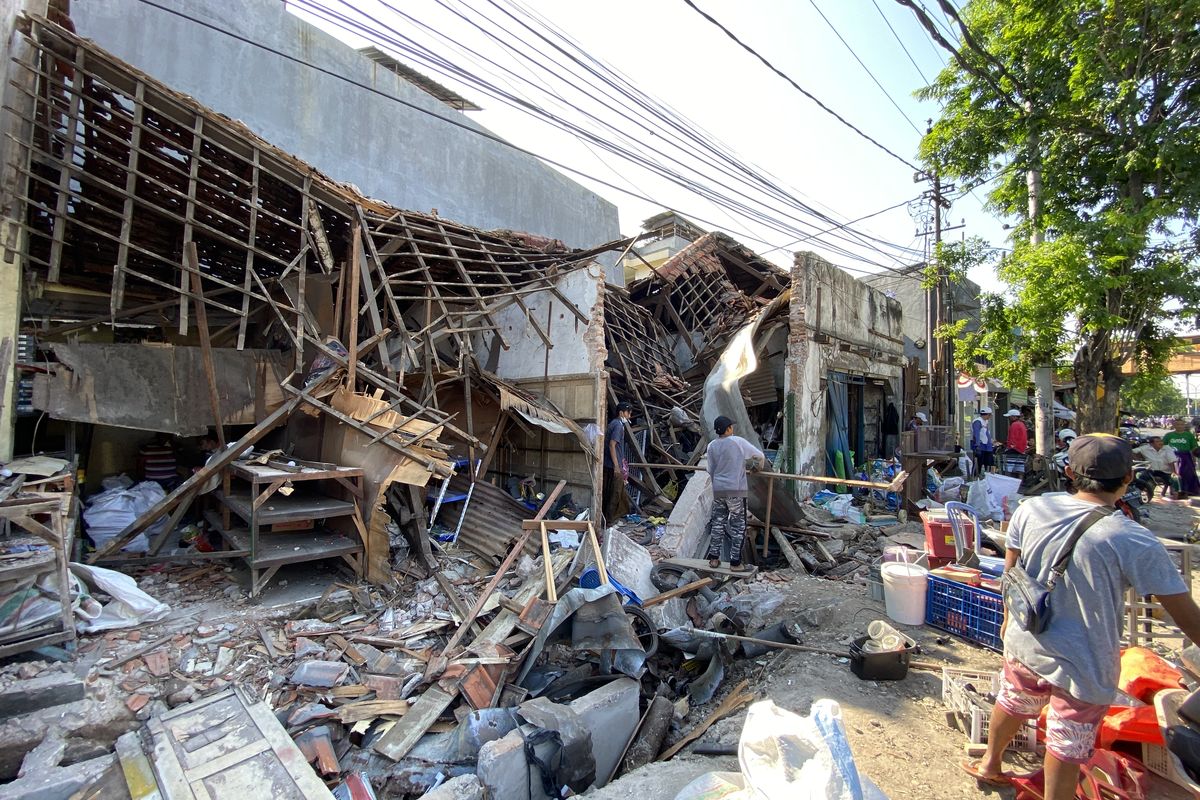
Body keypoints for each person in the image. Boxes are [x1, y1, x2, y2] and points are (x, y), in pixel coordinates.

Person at [965, 434, 1200, 797]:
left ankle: (990, 764)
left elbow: (1011, 571)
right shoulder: (1132, 538)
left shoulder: (1032, 510)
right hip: (1085, 659)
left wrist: (1009, 617)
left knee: (1014, 699)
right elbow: (1184, 615)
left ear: (1069, 472)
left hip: (1028, 636)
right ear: (1127, 479)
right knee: (1068, 740)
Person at [704, 416, 765, 572]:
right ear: (728, 429)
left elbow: (710, 470)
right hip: (735, 490)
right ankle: (735, 562)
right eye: (731, 426)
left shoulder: (711, 446)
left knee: (718, 523)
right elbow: (759, 457)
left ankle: (713, 559)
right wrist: (756, 469)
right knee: (739, 526)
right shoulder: (738, 442)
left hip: (718, 490)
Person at [602, 402, 633, 523]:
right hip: (613, 465)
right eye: (628, 413)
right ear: (621, 413)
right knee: (615, 493)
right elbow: (612, 445)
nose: (629, 416)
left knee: (612, 492)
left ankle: (608, 518)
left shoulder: (614, 424)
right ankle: (609, 520)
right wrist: (616, 466)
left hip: (610, 464)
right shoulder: (618, 425)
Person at [1163, 418, 1200, 499]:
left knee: (1187, 474)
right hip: (1172, 457)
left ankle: (1187, 491)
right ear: (1174, 425)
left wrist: (1194, 458)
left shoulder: (1189, 435)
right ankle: (1176, 491)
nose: (1180, 426)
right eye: (1177, 424)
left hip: (1186, 457)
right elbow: (1162, 447)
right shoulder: (1168, 436)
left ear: (1184, 425)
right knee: (1176, 474)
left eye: (1182, 424)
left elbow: (1193, 448)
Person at [1002, 408, 1028, 476]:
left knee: (1008, 468)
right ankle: (1019, 483)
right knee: (1020, 468)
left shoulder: (1014, 425)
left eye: (1009, 417)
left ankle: (1007, 482)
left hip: (1014, 449)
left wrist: (1009, 446)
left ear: (1014, 417)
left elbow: (1013, 437)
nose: (1008, 418)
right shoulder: (1022, 424)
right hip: (1021, 449)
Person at [971, 407, 995, 473]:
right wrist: (977, 445)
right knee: (978, 463)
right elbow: (976, 434)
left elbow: (986, 433)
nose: (990, 417)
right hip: (981, 446)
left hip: (987, 446)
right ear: (987, 414)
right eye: (989, 415)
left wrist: (991, 441)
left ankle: (987, 477)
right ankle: (975, 477)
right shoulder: (978, 421)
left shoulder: (985, 422)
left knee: (989, 464)